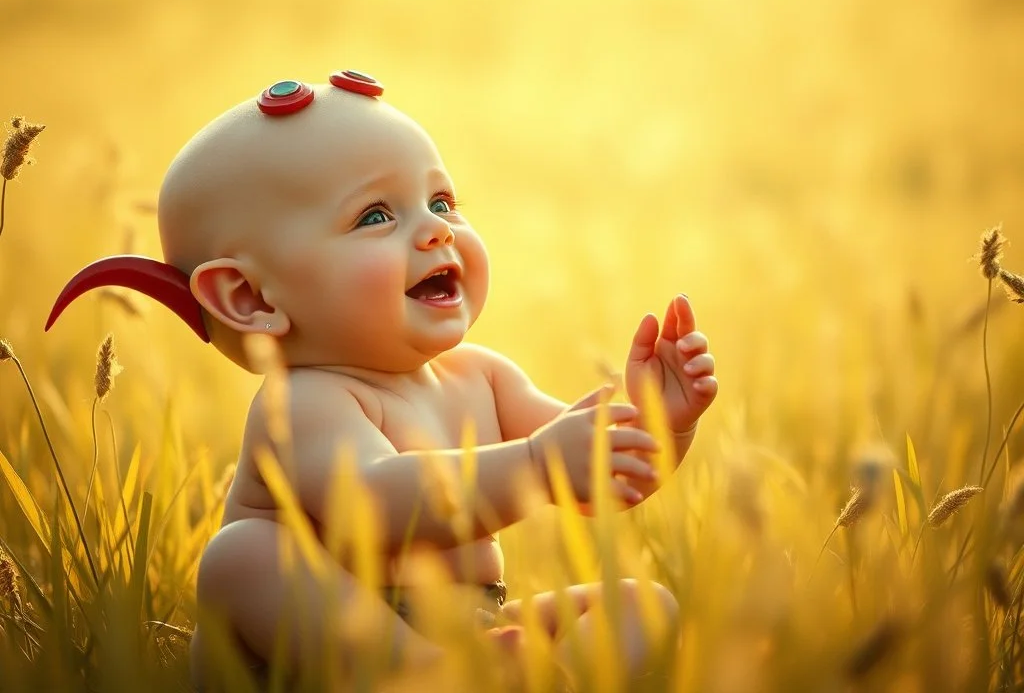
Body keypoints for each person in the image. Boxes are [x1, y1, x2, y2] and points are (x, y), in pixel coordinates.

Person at [46, 72, 719, 691]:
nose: (435, 231)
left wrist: (660, 422)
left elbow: (600, 475)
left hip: (473, 630)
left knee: (642, 606)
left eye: (442, 201)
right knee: (241, 557)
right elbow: (370, 504)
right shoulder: (304, 402)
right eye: (375, 216)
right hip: (319, 660)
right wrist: (539, 463)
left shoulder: (484, 378)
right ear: (250, 299)